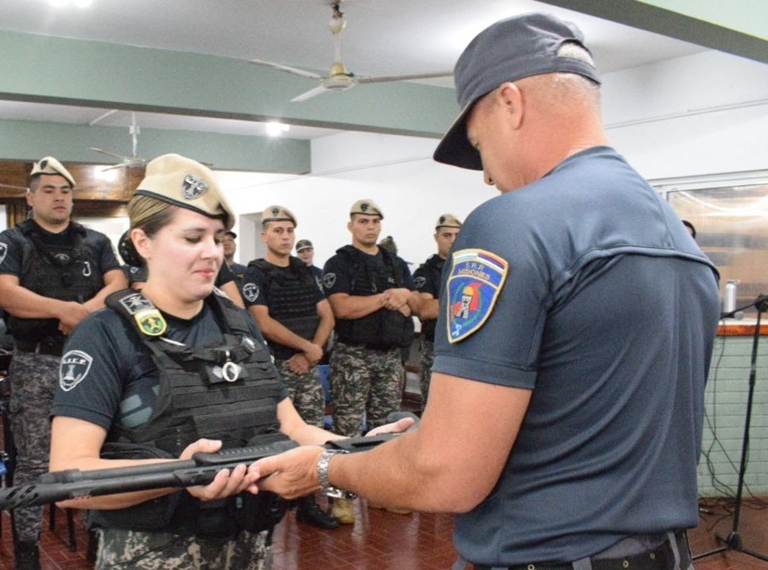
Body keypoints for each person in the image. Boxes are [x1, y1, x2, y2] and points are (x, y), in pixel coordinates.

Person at [253, 13, 720, 570]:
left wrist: (324, 468)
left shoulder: (513, 225)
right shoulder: (677, 238)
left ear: (510, 103)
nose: (486, 176)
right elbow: (585, 409)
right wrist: (436, 427)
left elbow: (446, 475)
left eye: (479, 146)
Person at [47, 154, 409, 570]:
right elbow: (69, 480)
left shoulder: (238, 324)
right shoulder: (105, 334)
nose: (212, 253)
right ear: (143, 242)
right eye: (192, 238)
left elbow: (290, 427)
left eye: (217, 238)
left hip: (249, 546)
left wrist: (361, 448)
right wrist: (183, 472)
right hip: (149, 554)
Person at [0, 156, 127, 568]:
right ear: (31, 197)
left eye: (65, 191)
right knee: (32, 462)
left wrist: (82, 314)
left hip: (92, 364)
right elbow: (4, 294)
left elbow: (118, 285)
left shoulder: (96, 241)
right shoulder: (14, 240)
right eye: (49, 190)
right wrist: (63, 311)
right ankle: (27, 551)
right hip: (36, 364)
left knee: (95, 456)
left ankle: (96, 540)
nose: (59, 198)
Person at [319, 199, 421, 523]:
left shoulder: (396, 263)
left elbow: (416, 303)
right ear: (351, 225)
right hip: (353, 355)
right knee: (348, 427)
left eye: (375, 220)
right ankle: (342, 498)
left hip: (390, 357)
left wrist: (405, 297)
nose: (370, 226)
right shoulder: (340, 263)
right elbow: (342, 308)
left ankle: (381, 492)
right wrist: (384, 298)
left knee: (386, 428)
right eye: (363, 221)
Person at [241, 205, 337, 529]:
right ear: (264, 234)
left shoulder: (305, 271)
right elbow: (262, 322)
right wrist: (306, 347)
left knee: (310, 431)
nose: (285, 236)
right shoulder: (255, 273)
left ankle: (308, 502)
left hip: (306, 365)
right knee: (273, 436)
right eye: (278, 230)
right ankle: (270, 500)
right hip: (275, 368)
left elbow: (327, 315)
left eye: (289, 231)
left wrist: (313, 353)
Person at [412, 213, 461, 409]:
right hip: (436, 349)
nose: (452, 240)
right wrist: (466, 303)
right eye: (447, 235)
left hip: (464, 348)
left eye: (457, 235)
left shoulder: (468, 266)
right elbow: (425, 309)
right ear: (436, 237)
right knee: (434, 407)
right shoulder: (427, 271)